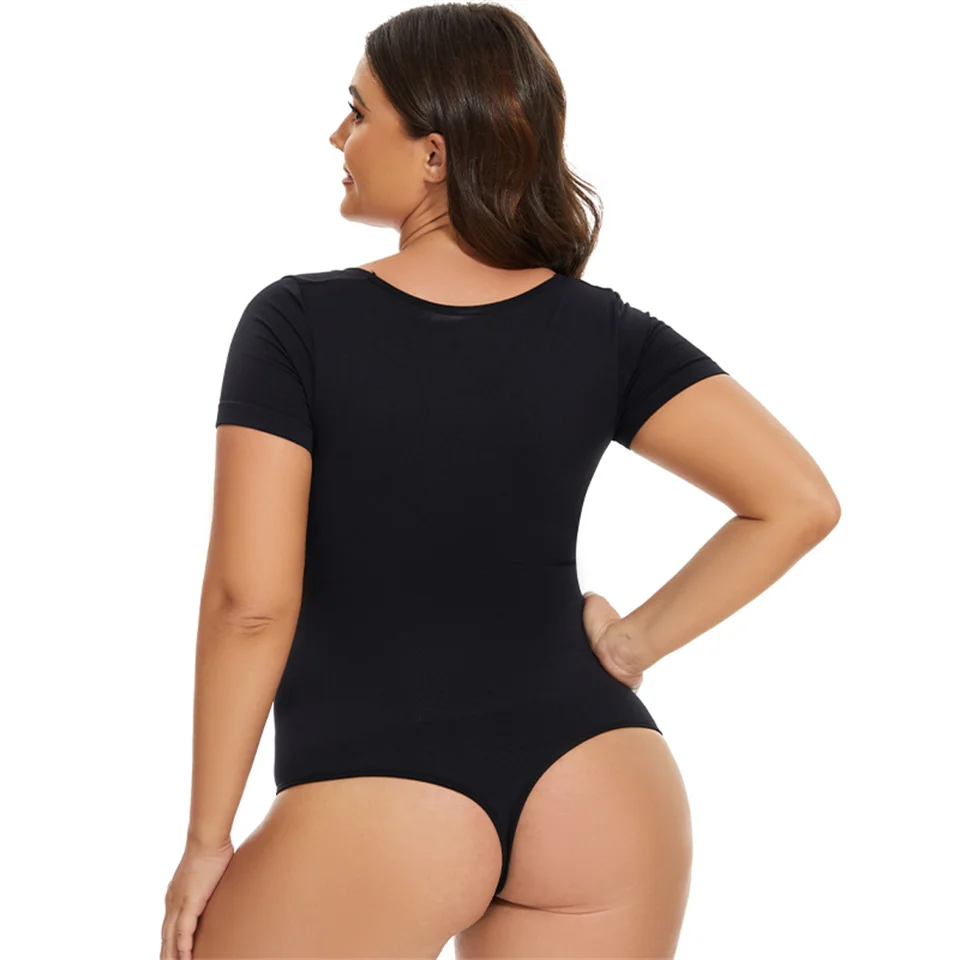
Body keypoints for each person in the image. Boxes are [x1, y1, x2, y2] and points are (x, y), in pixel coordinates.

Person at [161, 4, 841, 958]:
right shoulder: (604, 331)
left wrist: (206, 841)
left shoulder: (296, 325)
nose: (337, 135)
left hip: (380, 793)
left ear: (434, 154)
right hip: (600, 782)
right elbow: (797, 502)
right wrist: (633, 643)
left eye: (358, 111)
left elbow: (249, 605)